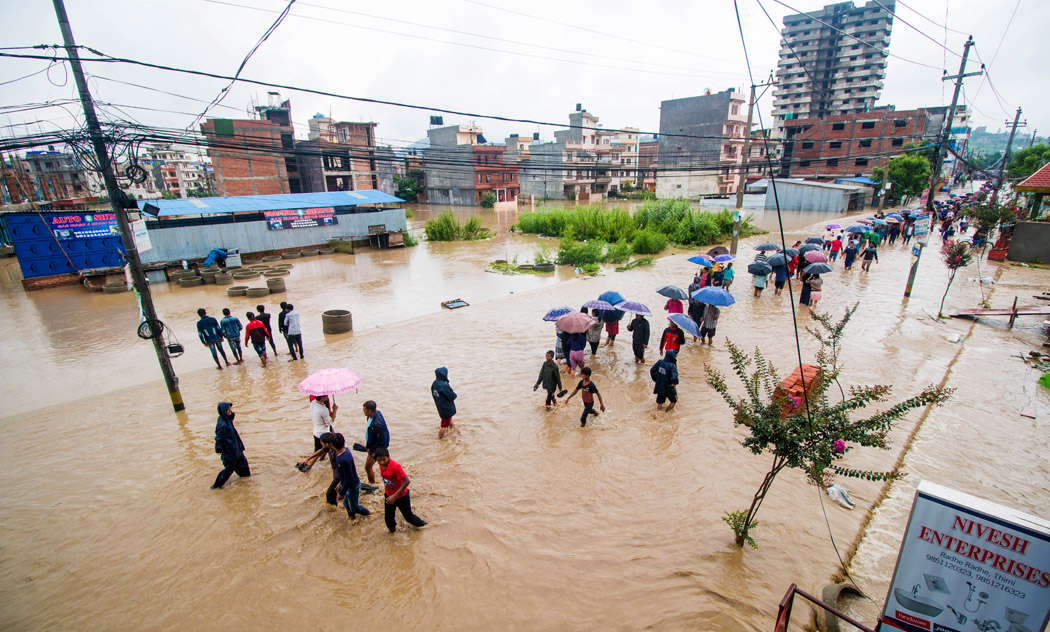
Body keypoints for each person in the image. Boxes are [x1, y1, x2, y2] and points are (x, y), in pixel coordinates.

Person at [375, 447, 426, 533]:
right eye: (379, 460)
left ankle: (425, 525)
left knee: (409, 518)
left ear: (388, 457)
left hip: (401, 496)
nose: (382, 462)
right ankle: (392, 538)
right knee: (388, 520)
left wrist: (395, 496)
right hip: (389, 496)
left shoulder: (395, 467)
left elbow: (406, 481)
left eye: (384, 460)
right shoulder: (381, 466)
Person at [330, 433, 370, 520]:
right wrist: (340, 483)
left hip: (352, 486)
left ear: (332, 446)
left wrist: (341, 493)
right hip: (348, 484)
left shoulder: (343, 459)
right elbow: (345, 474)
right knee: (346, 504)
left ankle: (369, 514)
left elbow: (349, 479)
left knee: (354, 507)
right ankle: (352, 518)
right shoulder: (345, 452)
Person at [212, 402, 250, 489]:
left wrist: (230, 413)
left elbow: (232, 417)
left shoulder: (227, 419)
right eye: (228, 410)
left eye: (230, 409)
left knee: (243, 464)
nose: (230, 411)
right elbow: (219, 438)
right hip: (230, 450)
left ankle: (246, 478)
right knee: (229, 469)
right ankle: (216, 486)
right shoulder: (222, 425)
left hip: (236, 448)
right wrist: (219, 449)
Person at [363, 400, 389, 486]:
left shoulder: (377, 425)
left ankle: (372, 485)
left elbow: (380, 440)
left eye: (364, 410)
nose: (363, 411)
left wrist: (373, 450)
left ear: (369, 411)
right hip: (373, 446)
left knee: (368, 467)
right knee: (384, 466)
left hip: (376, 448)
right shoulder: (376, 414)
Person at [431, 367, 458, 439]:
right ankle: (440, 439)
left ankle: (452, 428)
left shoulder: (435, 383)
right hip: (446, 406)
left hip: (440, 405)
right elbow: (452, 396)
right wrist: (455, 395)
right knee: (443, 425)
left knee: (449, 418)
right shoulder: (444, 385)